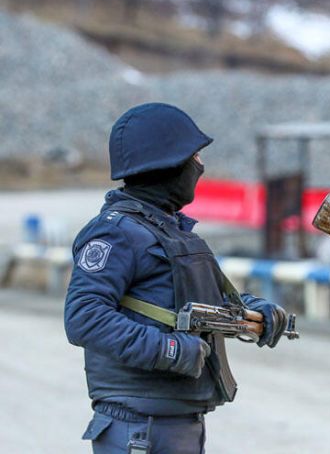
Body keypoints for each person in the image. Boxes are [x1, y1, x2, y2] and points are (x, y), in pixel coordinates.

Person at [64, 102, 288, 453]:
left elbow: (199, 302)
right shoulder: (116, 234)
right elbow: (84, 317)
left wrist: (255, 313)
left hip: (174, 425)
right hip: (138, 429)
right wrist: (170, 349)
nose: (200, 165)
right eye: (194, 156)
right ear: (167, 163)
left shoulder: (170, 231)